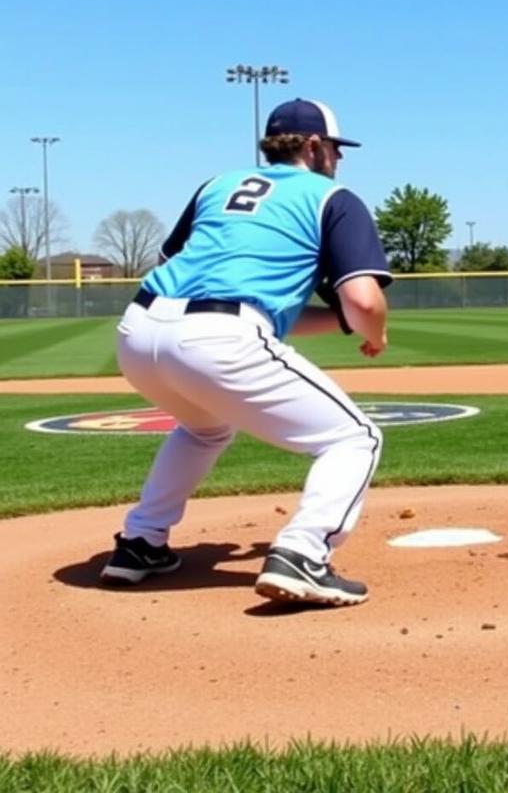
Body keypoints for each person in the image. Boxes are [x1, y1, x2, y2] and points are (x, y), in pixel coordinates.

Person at [100, 97, 393, 606]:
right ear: (313, 145)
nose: (339, 161)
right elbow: (364, 299)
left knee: (204, 427)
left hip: (139, 329)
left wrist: (347, 324)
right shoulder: (333, 197)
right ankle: (304, 553)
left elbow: (241, 297)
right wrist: (374, 331)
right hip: (218, 336)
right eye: (336, 151)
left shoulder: (217, 186)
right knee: (355, 438)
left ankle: (142, 542)